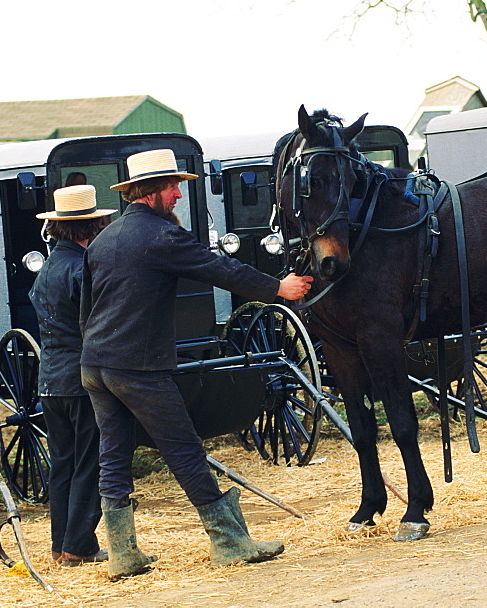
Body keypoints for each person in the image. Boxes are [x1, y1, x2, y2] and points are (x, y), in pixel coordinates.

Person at [80, 148, 312, 580]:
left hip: (95, 364)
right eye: (173, 188)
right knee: (183, 448)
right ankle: (230, 542)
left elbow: (86, 309)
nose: (178, 196)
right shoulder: (161, 237)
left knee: (113, 456)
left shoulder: (104, 239)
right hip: (139, 367)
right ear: (151, 191)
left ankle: (123, 555)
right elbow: (219, 268)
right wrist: (278, 287)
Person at [30, 184, 116, 567]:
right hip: (82, 383)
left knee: (63, 464)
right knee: (89, 463)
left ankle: (59, 543)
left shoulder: (48, 269)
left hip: (51, 382)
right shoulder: (82, 269)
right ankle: (79, 546)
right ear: (91, 228)